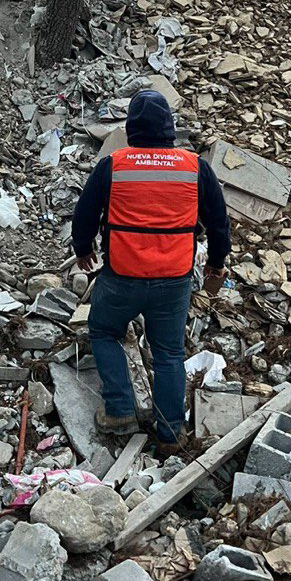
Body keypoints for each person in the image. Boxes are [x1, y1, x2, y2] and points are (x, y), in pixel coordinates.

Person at [71, 89, 232, 451]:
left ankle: (120, 411)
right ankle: (171, 432)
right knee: (169, 353)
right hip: (173, 280)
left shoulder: (114, 165)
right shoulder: (194, 167)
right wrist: (217, 263)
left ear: (131, 128)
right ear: (169, 128)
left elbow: (85, 212)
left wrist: (83, 249)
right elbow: (219, 222)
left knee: (104, 331)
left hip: (122, 275)